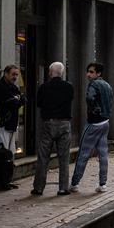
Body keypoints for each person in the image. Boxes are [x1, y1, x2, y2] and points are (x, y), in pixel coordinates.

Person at [31, 62, 74, 196]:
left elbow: (39, 103)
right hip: (64, 123)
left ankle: (38, 187)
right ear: (61, 73)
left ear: (50, 72)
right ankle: (63, 188)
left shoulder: (44, 87)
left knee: (43, 157)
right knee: (64, 157)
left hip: (48, 123)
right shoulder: (69, 87)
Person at [69, 62, 113, 193]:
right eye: (88, 71)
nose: (88, 74)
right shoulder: (107, 85)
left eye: (91, 72)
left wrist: (95, 110)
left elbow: (89, 98)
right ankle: (103, 184)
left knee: (83, 153)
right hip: (105, 122)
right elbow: (110, 101)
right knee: (103, 154)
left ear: (98, 73)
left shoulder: (93, 84)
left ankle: (74, 183)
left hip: (94, 123)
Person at [0, 64, 25, 189]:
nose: (15, 77)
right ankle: (0, 181)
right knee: (1, 153)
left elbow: (19, 100)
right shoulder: (1, 88)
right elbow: (13, 103)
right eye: (13, 74)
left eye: (16, 74)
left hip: (10, 124)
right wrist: (18, 101)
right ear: (6, 74)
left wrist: (18, 100)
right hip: (3, 125)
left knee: (9, 154)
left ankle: (6, 180)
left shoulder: (13, 88)